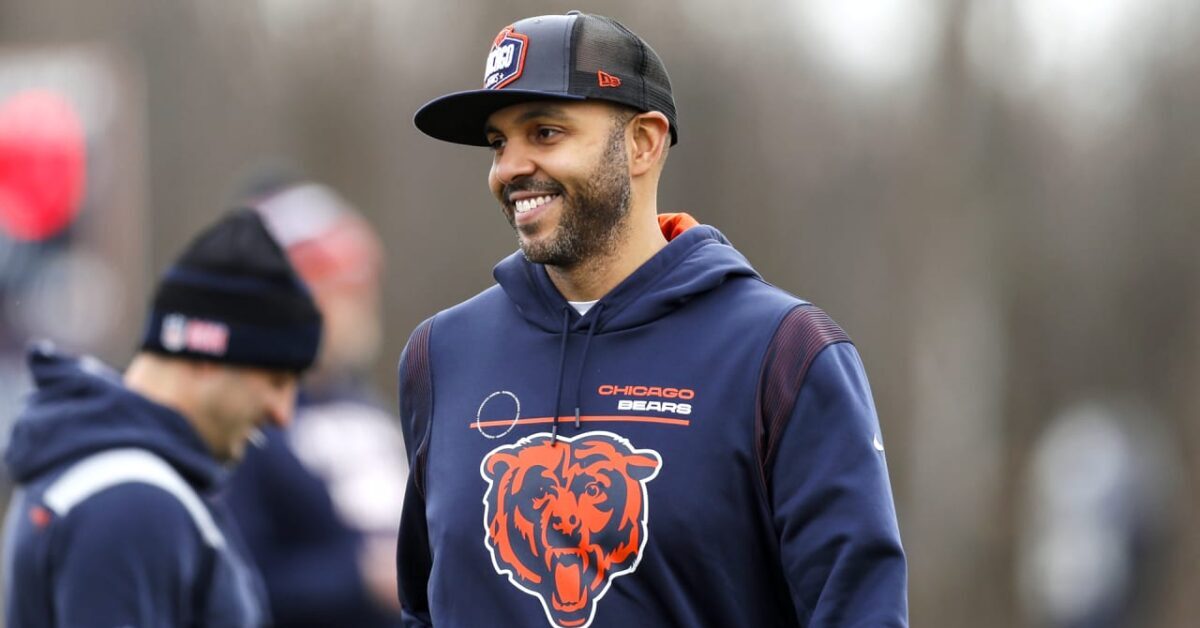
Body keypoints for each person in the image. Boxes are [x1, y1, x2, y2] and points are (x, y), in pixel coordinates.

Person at [396, 11, 907, 628]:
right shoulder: (442, 355)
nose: (509, 168)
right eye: (499, 142)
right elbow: (421, 609)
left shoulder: (783, 354)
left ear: (642, 143)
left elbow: (857, 611)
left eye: (545, 132)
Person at [1, 208, 322, 627]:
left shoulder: (111, 474)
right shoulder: (130, 501)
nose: (282, 414)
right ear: (207, 355)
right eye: (276, 381)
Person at [226, 176, 406, 627]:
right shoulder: (246, 426)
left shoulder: (366, 405)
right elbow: (237, 579)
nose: (358, 311)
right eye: (341, 293)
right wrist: (359, 577)